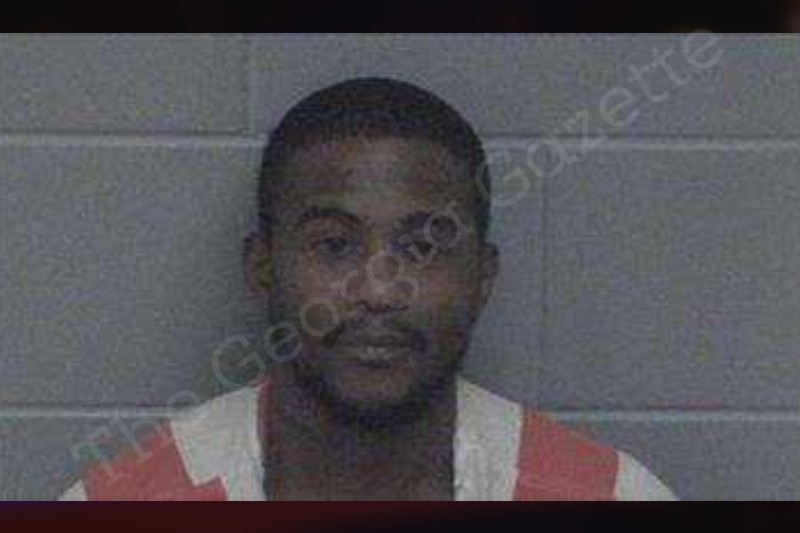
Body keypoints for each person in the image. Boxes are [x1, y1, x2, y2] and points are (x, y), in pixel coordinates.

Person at [60, 77, 675, 501]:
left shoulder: (609, 496)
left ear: (484, 277)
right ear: (262, 265)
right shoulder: (127, 502)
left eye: (423, 246)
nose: (379, 291)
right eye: (334, 245)